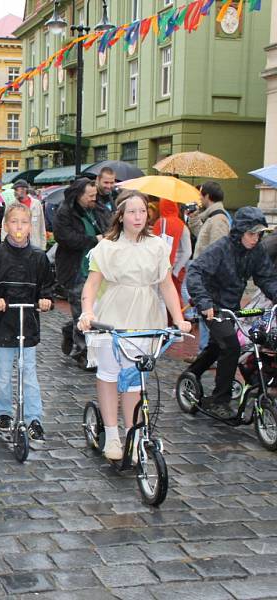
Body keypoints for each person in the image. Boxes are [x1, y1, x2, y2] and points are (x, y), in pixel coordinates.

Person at [78, 190, 191, 460]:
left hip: (146, 314)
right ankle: (112, 435)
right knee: (109, 373)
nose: (138, 217)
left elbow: (165, 284)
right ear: (121, 215)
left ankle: (133, 433)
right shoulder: (108, 246)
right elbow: (92, 284)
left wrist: (178, 319)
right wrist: (87, 312)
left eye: (142, 211)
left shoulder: (156, 246)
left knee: (133, 379)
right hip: (114, 312)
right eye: (132, 212)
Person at [0, 202, 54, 446]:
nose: (19, 227)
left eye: (24, 222)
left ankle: (33, 417)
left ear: (30, 226)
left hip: (26, 324)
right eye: (14, 222)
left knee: (29, 373)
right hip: (1, 327)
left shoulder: (38, 258)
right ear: (6, 225)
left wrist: (45, 298)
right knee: (3, 373)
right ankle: (2, 411)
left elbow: (47, 284)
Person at [183, 206, 277, 416]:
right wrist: (204, 302)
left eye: (259, 234)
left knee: (218, 346)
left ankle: (192, 374)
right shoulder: (221, 249)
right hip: (212, 305)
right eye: (251, 234)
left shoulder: (257, 251)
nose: (255, 239)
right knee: (231, 345)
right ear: (239, 232)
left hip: (232, 306)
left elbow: (266, 278)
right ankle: (219, 399)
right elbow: (195, 271)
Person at [55, 177, 111, 371]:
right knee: (82, 310)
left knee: (95, 309)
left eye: (95, 195)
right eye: (90, 196)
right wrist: (93, 240)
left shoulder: (97, 209)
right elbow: (65, 238)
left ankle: (69, 331)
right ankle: (82, 351)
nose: (93, 199)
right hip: (75, 268)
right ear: (79, 195)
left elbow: (108, 227)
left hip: (97, 267)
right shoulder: (65, 212)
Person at [151, 198, 192, 302]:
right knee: (176, 299)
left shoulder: (159, 223)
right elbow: (188, 252)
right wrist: (176, 270)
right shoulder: (182, 225)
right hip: (178, 269)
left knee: (160, 300)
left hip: (161, 269)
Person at [11, 180, 47, 250]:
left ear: (23, 190)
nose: (14, 192)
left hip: (35, 245)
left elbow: (42, 226)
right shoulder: (12, 205)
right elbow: (5, 224)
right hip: (17, 245)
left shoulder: (36, 204)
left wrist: (43, 247)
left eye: (16, 189)